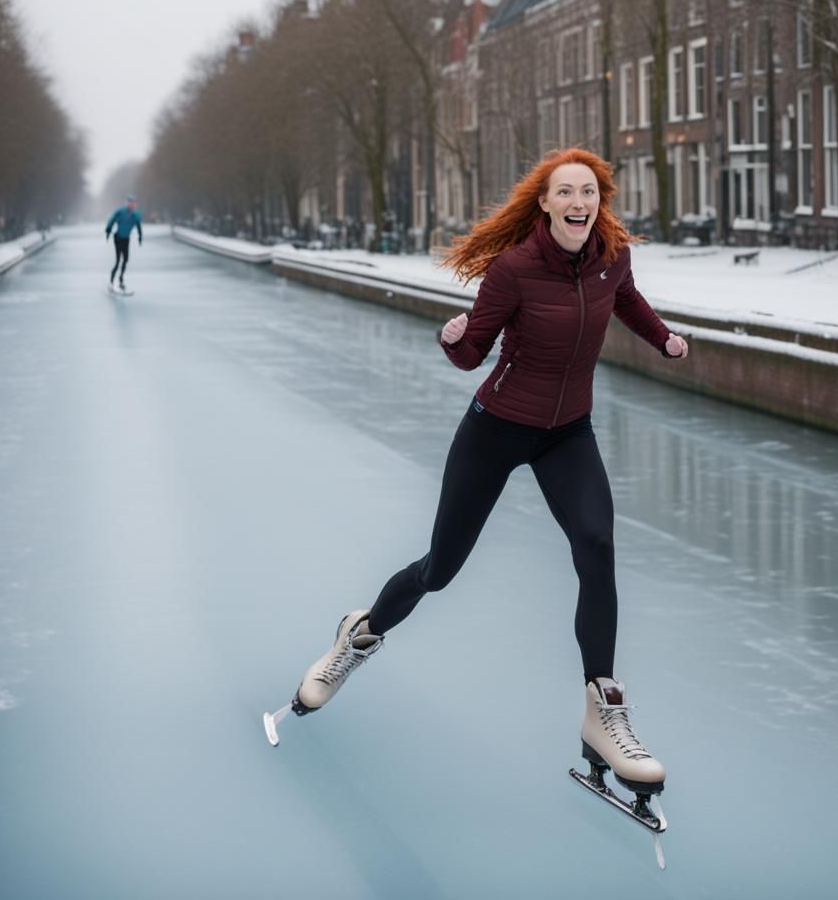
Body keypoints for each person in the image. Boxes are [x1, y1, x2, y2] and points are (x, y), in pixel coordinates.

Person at [288, 148, 688, 788]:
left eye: (589, 192)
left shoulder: (614, 256)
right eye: (567, 193)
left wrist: (663, 337)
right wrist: (453, 340)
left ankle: (602, 711)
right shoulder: (514, 269)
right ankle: (356, 637)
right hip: (496, 430)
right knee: (439, 569)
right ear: (546, 203)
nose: (579, 203)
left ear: (598, 201)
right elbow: (476, 351)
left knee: (597, 544)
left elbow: (627, 301)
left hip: (568, 433)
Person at [105, 194, 143, 290]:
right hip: (118, 238)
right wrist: (108, 230)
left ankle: (121, 280)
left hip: (126, 239)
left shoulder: (136, 215)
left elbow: (138, 226)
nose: (132, 205)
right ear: (127, 203)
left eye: (133, 203)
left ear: (135, 204)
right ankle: (111, 281)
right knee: (118, 261)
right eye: (130, 203)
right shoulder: (120, 212)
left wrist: (140, 236)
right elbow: (112, 220)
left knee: (125, 260)